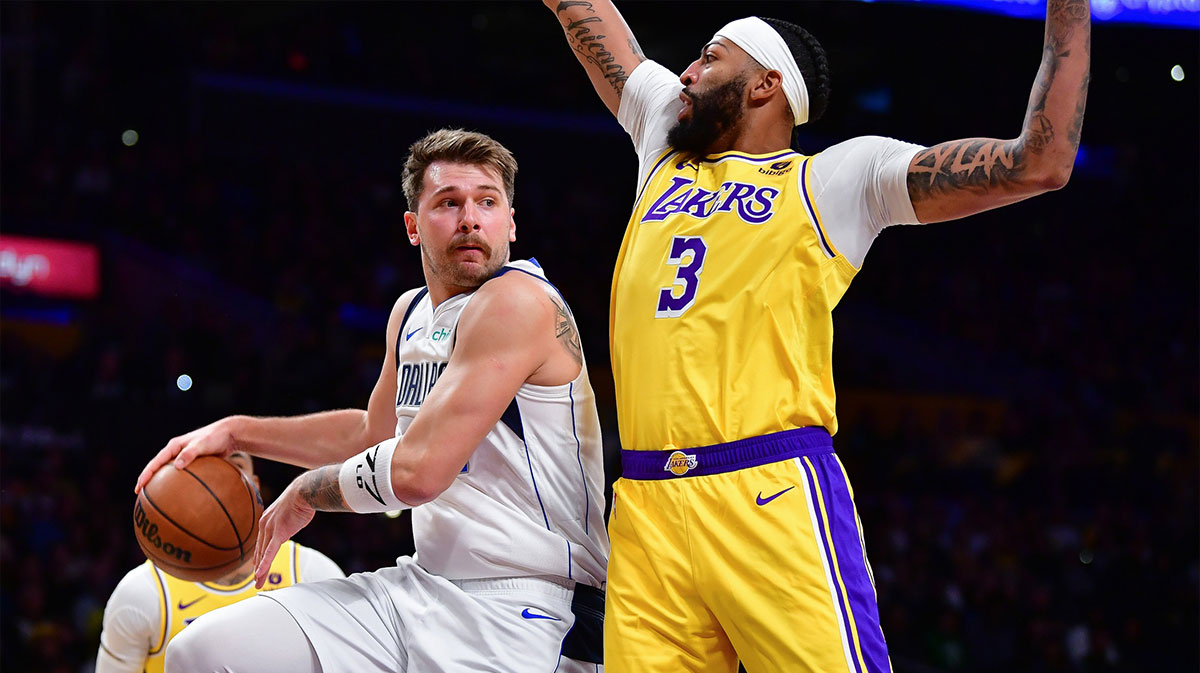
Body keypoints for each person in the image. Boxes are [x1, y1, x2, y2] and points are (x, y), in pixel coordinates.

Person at [543, 0, 1089, 671]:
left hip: (768, 490)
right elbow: (583, 13)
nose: (684, 73)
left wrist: (1069, 10)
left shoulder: (833, 179)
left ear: (766, 83)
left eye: (710, 57)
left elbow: (1040, 162)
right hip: (646, 505)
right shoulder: (663, 140)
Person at [133, 129, 609, 672]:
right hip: (422, 587)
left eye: (487, 202)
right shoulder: (410, 314)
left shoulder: (519, 301)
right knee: (204, 652)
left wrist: (307, 492)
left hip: (529, 608)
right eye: (448, 203)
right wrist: (238, 431)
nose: (470, 218)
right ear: (413, 226)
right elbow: (371, 437)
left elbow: (415, 474)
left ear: (512, 222)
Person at [97, 451, 345, 673]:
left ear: (256, 485)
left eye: (235, 465)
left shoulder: (311, 572)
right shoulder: (143, 592)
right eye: (208, 468)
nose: (221, 478)